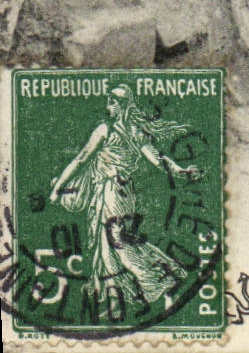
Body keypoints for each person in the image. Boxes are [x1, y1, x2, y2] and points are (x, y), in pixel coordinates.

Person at [49, 85, 203, 315]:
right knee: (107, 245)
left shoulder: (105, 129)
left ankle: (159, 279)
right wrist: (180, 171)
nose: (108, 106)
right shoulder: (137, 132)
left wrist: (58, 188)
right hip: (124, 193)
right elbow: (159, 160)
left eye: (111, 102)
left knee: (116, 242)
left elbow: (81, 159)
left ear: (119, 105)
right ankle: (123, 296)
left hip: (109, 191)